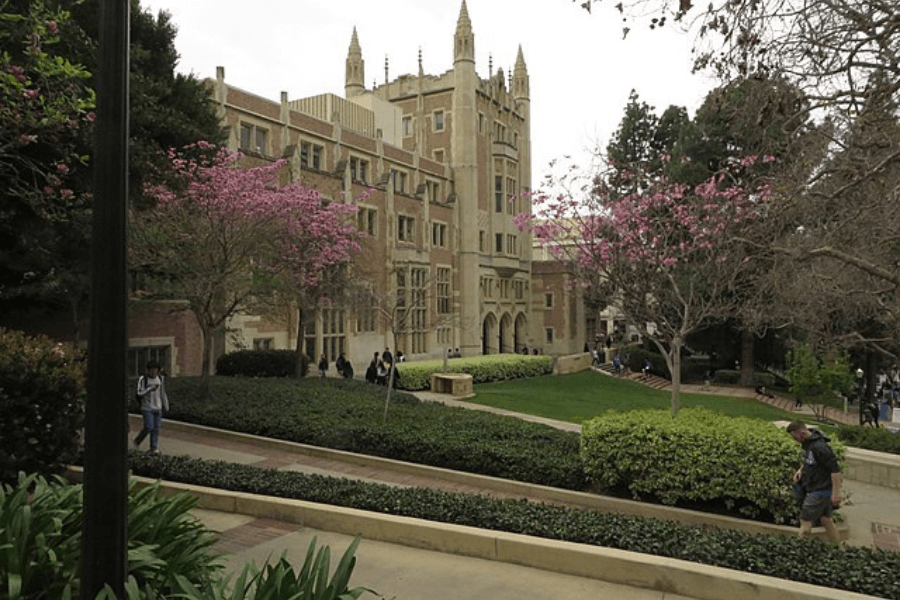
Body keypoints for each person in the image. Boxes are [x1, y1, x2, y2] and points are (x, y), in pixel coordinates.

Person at [786, 421, 843, 544]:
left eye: (794, 437)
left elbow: (835, 471)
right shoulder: (808, 444)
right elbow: (809, 461)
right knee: (826, 520)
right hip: (816, 489)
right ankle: (839, 548)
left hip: (819, 491)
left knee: (805, 522)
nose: (795, 440)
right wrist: (801, 471)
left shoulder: (820, 447)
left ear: (801, 432)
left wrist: (836, 493)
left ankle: (797, 549)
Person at [133, 361, 169, 454]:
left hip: (158, 407)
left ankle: (153, 448)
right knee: (149, 427)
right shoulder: (143, 379)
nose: (153, 371)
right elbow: (139, 392)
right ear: (148, 370)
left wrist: (166, 404)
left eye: (155, 369)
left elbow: (162, 392)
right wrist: (149, 389)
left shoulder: (160, 378)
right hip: (147, 407)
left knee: (156, 428)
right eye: (151, 370)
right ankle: (137, 440)